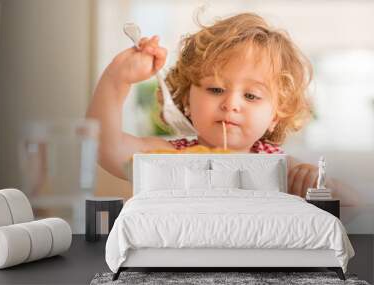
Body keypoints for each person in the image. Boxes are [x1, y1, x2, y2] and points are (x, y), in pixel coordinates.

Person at [86, 13, 359, 205]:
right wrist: (116, 79)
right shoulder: (170, 157)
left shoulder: (279, 167)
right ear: (187, 101)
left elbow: (353, 205)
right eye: (216, 90)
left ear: (275, 116)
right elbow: (105, 148)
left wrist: (322, 185)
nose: (231, 104)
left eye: (251, 96)